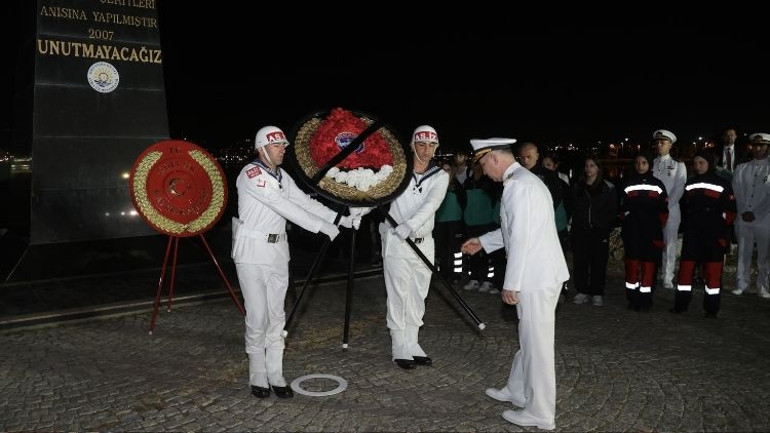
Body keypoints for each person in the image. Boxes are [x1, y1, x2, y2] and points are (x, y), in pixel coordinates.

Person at [231, 125, 361, 399]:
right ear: (262, 148)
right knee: (257, 316)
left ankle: (275, 373)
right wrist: (321, 228)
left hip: (278, 252)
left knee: (277, 315)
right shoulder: (251, 174)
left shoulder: (281, 175)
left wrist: (340, 220)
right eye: (278, 145)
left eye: (283, 145)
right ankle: (258, 374)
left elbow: (303, 201)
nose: (283, 149)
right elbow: (282, 206)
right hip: (252, 254)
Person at [461, 138, 569, 431]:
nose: (484, 172)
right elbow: (515, 230)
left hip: (535, 276)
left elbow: (521, 237)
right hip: (540, 272)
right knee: (528, 340)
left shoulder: (517, 186)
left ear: (495, 159)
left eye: (484, 164)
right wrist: (483, 241)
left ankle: (540, 413)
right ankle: (518, 389)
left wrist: (512, 283)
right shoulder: (524, 181)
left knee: (538, 348)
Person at [379, 125, 449, 370]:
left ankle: (412, 341)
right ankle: (399, 343)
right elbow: (377, 194)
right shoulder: (397, 172)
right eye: (421, 144)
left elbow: (432, 204)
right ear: (412, 145)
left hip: (423, 241)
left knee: (419, 293)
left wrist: (411, 224)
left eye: (431, 145)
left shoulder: (440, 176)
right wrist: (356, 211)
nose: (427, 150)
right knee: (399, 294)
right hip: (398, 242)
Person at [671, 149, 736, 318]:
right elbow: (685, 207)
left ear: (710, 164)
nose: (698, 166)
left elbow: (730, 211)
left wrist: (720, 227)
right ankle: (680, 305)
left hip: (713, 233)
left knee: (712, 272)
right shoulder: (690, 183)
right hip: (693, 232)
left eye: (702, 163)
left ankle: (711, 309)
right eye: (695, 163)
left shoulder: (723, 183)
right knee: (685, 270)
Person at [618, 153, 669, 311]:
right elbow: (621, 207)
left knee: (649, 266)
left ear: (649, 165)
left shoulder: (658, 184)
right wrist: (627, 220)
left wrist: (656, 225)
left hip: (652, 231)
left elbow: (664, 210)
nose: (640, 165)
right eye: (638, 162)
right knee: (632, 265)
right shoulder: (627, 183)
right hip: (632, 230)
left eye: (644, 162)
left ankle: (646, 299)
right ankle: (632, 298)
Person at [569, 155, 619, 307]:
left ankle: (597, 292)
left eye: (592, 165)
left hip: (599, 231)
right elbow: (572, 207)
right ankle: (582, 291)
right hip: (580, 231)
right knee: (580, 262)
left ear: (598, 168)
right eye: (586, 165)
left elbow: (613, 210)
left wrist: (603, 225)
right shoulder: (578, 186)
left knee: (599, 263)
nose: (588, 168)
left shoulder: (608, 188)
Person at [731, 133, 770, 298]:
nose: (758, 149)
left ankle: (763, 286)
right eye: (755, 145)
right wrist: (743, 212)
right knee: (743, 253)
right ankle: (742, 283)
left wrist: (755, 213)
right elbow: (736, 192)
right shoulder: (742, 168)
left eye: (762, 145)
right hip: (743, 217)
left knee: (764, 255)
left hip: (765, 218)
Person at [651, 129, 687, 289]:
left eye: (663, 142)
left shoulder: (678, 165)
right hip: (651, 212)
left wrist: (664, 207)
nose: (659, 145)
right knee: (651, 245)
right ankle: (651, 273)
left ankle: (667, 276)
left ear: (670, 145)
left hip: (670, 212)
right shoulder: (651, 163)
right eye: (657, 142)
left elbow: (679, 188)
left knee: (669, 245)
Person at [461, 162, 498, 293]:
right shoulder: (468, 182)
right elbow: (463, 200)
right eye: (474, 165)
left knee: (488, 253)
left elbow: (495, 198)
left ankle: (488, 281)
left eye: (478, 165)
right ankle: (475, 278)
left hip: (486, 221)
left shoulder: (489, 182)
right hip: (471, 221)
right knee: (473, 252)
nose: (476, 167)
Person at [434, 161, 465, 284]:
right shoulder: (436, 185)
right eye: (443, 170)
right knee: (441, 249)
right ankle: (443, 273)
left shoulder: (457, 186)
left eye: (448, 169)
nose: (445, 172)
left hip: (455, 222)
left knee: (456, 250)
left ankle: (456, 275)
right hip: (440, 222)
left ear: (451, 171)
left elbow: (464, 202)